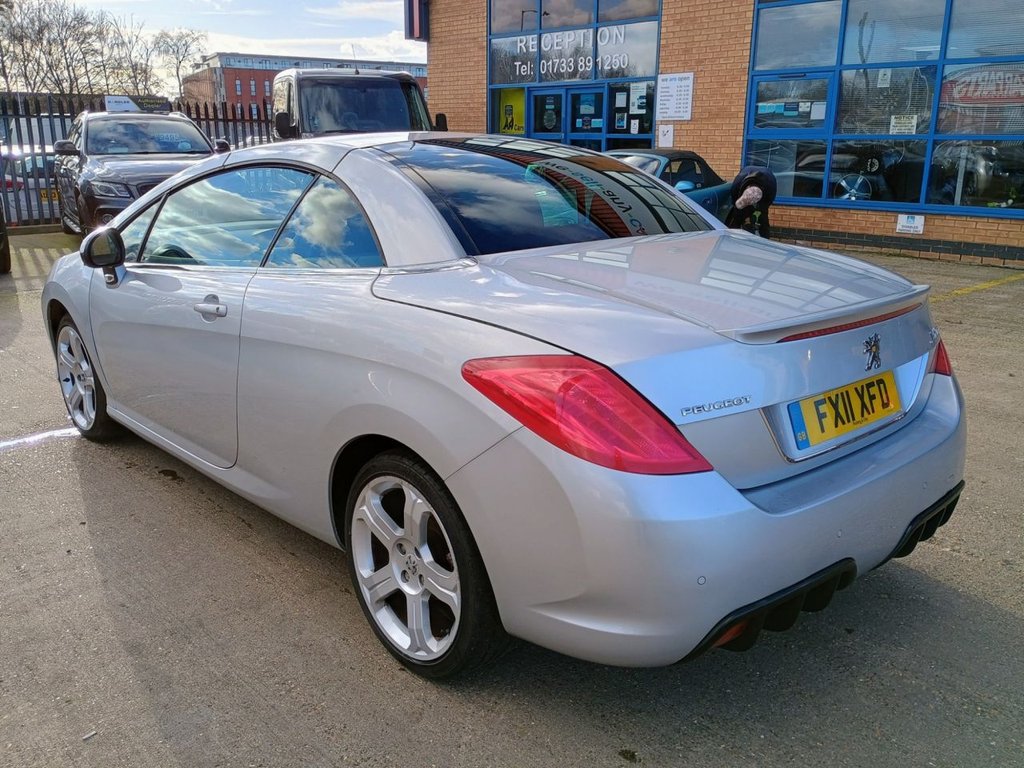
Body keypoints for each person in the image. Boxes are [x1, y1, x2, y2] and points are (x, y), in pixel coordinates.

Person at [725, 165, 777, 239]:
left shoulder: (770, 184)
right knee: (737, 216)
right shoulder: (738, 183)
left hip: (764, 189)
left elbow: (768, 202)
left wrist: (759, 209)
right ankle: (733, 237)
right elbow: (735, 201)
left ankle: (765, 239)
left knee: (763, 219)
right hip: (746, 176)